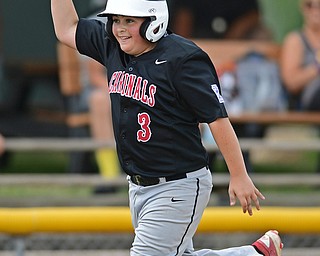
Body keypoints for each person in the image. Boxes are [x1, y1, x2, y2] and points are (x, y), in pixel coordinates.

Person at [51, 0, 283, 255]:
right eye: (116, 20)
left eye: (130, 21)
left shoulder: (182, 59)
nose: (120, 28)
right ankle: (256, 254)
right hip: (139, 184)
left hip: (177, 184)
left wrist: (238, 174)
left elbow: (216, 118)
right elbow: (66, 29)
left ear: (154, 22)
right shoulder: (113, 45)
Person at [280, 0, 320, 111]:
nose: (315, 10)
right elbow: (291, 83)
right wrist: (316, 67)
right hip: (309, 100)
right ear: (303, 8)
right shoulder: (295, 40)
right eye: (310, 5)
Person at [169, 0, 270, 40]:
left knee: (261, 34)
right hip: (199, 37)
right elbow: (183, 17)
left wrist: (236, 31)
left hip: (236, 41)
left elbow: (253, 14)